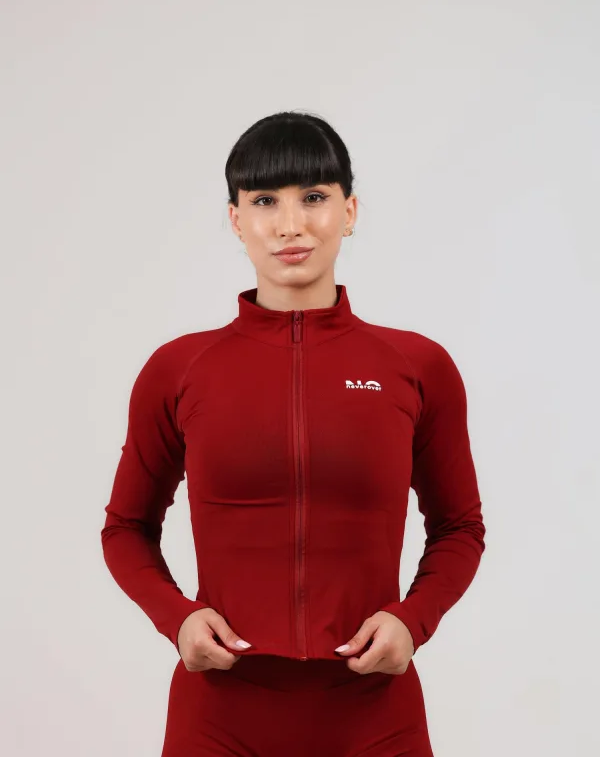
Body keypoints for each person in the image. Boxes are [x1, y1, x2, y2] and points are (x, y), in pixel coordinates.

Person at [101, 110, 486, 756]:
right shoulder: (179, 369)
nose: (290, 224)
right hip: (220, 716)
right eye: (264, 201)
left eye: (313, 197)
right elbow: (125, 527)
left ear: (349, 211)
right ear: (235, 219)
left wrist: (412, 621)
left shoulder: (417, 366)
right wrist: (178, 619)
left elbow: (460, 526)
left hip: (375, 715)